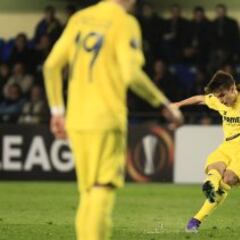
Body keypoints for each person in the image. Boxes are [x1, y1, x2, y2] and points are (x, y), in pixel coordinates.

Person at [42, 1, 183, 240]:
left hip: (76, 119)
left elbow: (51, 66)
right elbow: (131, 73)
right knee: (102, 189)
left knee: (88, 192)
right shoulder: (124, 22)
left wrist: (57, 111)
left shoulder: (80, 18)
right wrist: (163, 104)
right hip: (106, 119)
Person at [172, 70, 240, 232]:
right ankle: (208, 190)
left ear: (233, 89)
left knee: (228, 179)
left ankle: (197, 218)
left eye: (223, 96)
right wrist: (176, 105)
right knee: (214, 168)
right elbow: (199, 99)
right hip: (227, 146)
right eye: (217, 97)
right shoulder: (219, 100)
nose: (220, 101)